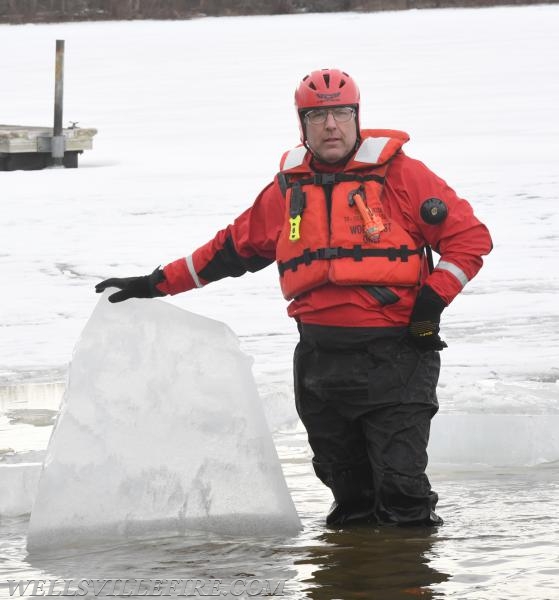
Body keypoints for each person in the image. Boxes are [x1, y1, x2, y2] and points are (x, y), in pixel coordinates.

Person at [96, 68, 492, 527]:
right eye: (318, 115)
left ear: (357, 117)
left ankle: (405, 578)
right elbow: (228, 250)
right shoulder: (287, 191)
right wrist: (153, 283)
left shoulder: (403, 175)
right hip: (320, 364)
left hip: (397, 358)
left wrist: (430, 306)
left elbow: (470, 240)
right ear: (301, 124)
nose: (331, 126)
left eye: (341, 113)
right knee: (350, 501)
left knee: (402, 494)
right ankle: (351, 580)